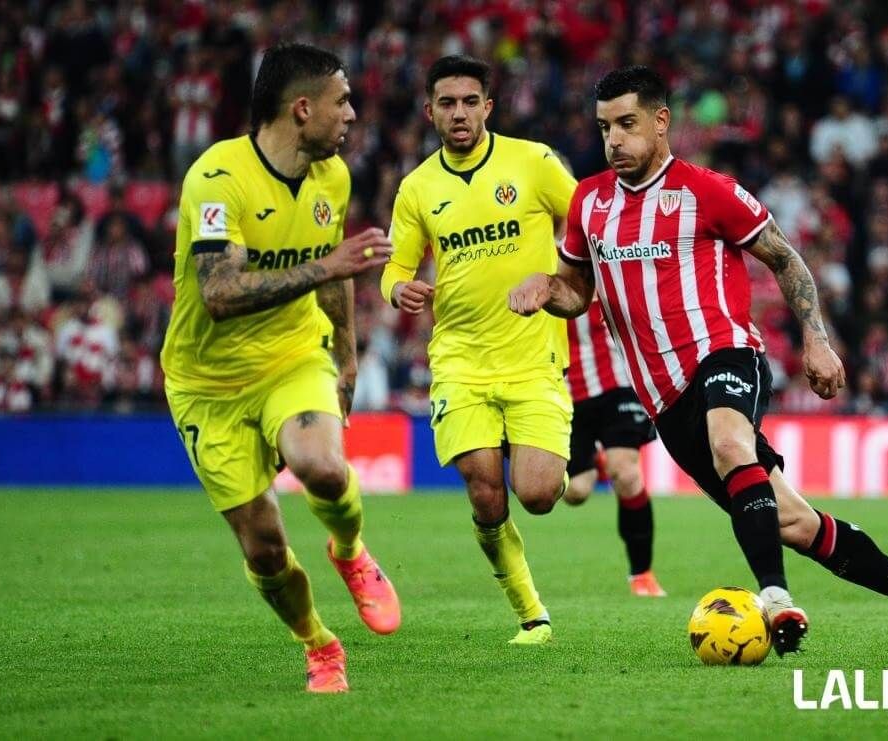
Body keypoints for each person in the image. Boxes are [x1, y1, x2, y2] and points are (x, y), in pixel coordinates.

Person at [509, 66, 888, 662]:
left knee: (732, 444)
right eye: (604, 128)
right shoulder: (589, 202)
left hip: (725, 352)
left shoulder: (710, 190)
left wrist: (816, 339)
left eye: (627, 124)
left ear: (661, 122)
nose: (614, 141)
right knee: (797, 525)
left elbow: (786, 260)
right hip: (664, 398)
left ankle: (776, 598)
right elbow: (577, 292)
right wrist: (543, 290)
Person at [159, 43, 400, 694]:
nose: (352, 113)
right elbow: (221, 294)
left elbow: (338, 277)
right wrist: (329, 266)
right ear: (302, 108)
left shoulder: (334, 178)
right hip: (207, 383)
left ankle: (350, 551)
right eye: (341, 100)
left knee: (322, 464)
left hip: (294, 354)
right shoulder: (217, 180)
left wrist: (345, 357)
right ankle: (319, 644)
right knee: (263, 544)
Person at [382, 55, 576, 646]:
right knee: (485, 489)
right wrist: (398, 288)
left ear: (488, 107)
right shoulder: (417, 188)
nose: (459, 113)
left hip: (533, 356)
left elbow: (589, 223)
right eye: (447, 103)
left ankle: (561, 456)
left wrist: (555, 281)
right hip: (460, 360)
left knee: (538, 493)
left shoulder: (533, 162)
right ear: (430, 111)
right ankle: (531, 614)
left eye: (470, 101)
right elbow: (396, 264)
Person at [563, 298, 665, 597]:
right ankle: (595, 456)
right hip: (566, 391)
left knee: (626, 473)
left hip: (617, 383)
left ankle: (642, 574)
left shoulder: (597, 252)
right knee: (576, 491)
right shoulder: (532, 261)